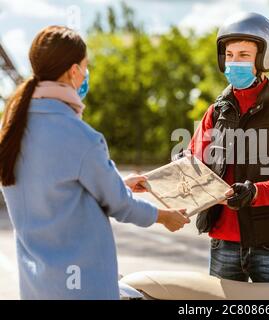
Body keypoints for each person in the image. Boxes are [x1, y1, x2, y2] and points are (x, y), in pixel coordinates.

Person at [0, 26, 189, 300]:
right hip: (83, 288)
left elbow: (54, 190)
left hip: (37, 289)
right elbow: (120, 205)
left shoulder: (13, 131)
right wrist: (164, 216)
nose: (86, 74)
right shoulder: (81, 136)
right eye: (85, 67)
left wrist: (118, 183)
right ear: (73, 71)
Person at [186, 12, 269, 283]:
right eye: (229, 55)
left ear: (263, 59)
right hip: (222, 243)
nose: (234, 62)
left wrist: (254, 192)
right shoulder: (214, 113)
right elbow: (194, 164)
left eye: (243, 55)